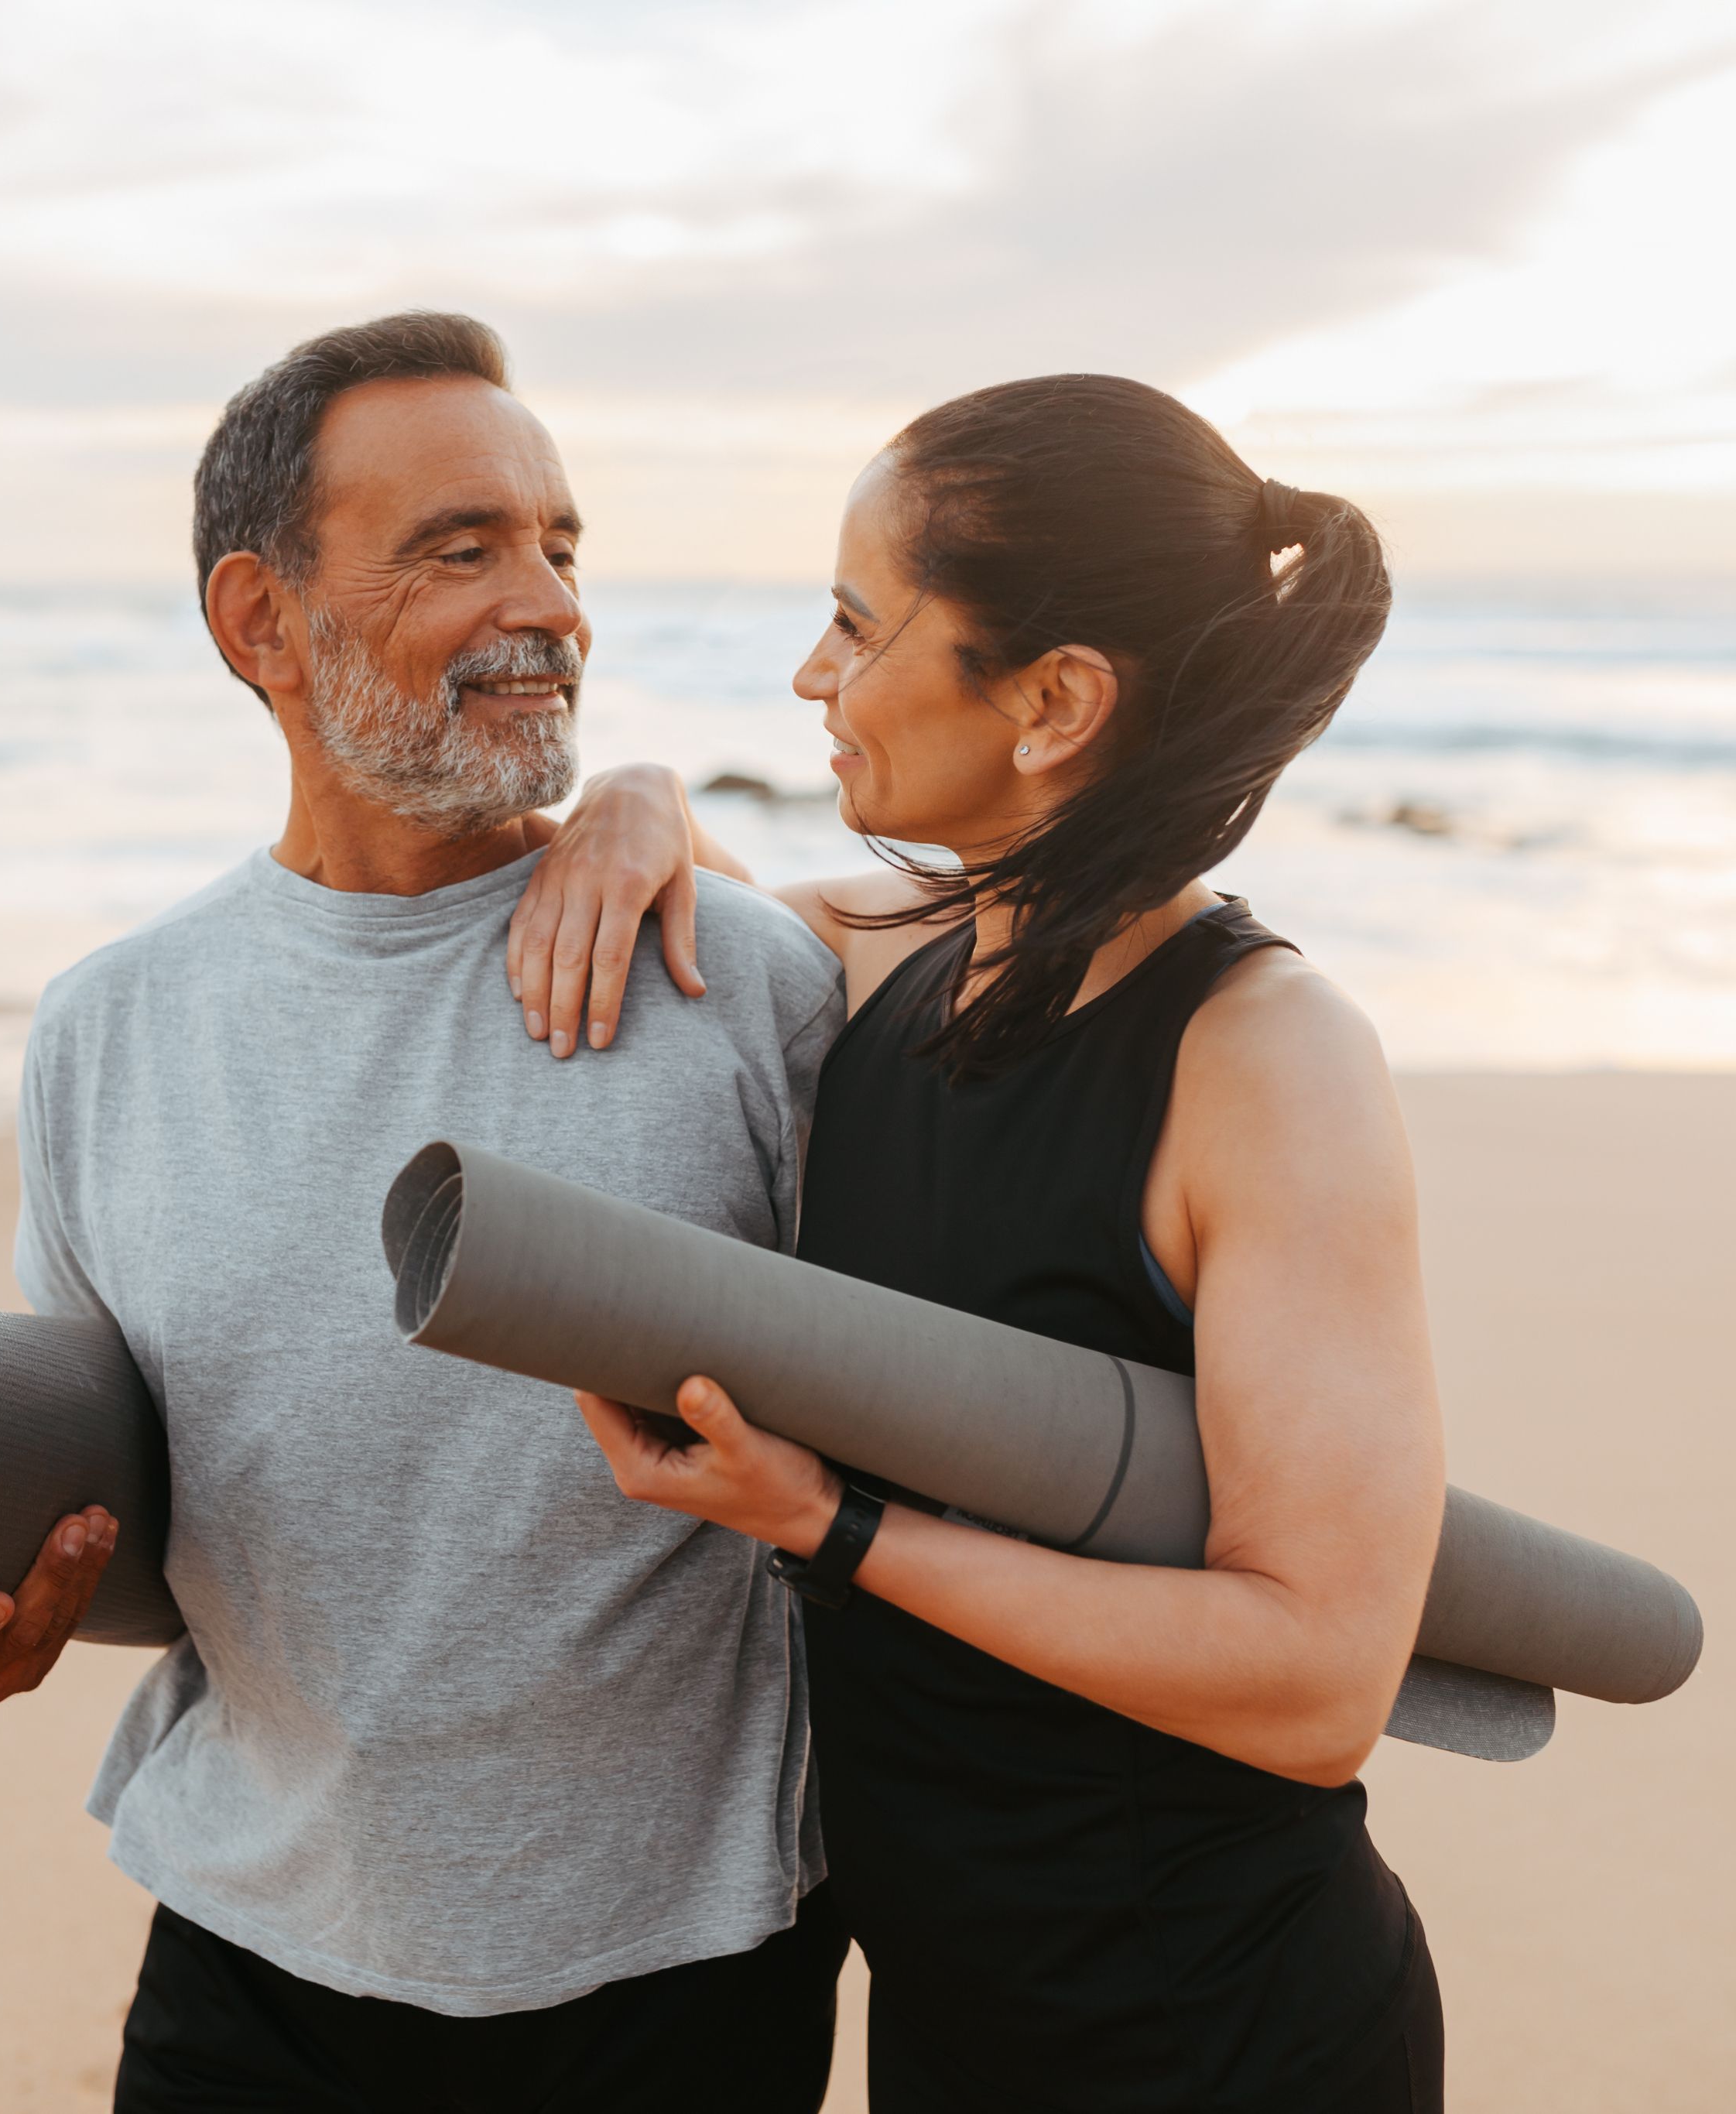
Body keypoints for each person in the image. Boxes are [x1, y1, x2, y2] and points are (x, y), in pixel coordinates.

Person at [0, 312, 851, 2111]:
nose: (549, 604)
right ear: (262, 622)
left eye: (561, 546)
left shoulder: (740, 982)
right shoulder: (109, 1029)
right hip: (252, 1956)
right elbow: (130, 1504)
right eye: (459, 547)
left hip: (671, 1976)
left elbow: (906, 1448)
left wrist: (663, 806)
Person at [508, 375, 1450, 2111]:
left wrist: (831, 1524)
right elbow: (717, 899)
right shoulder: (907, 952)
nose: (811, 676)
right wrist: (631, 791)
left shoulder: (1260, 1058)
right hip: (946, 2009)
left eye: (856, 627)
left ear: (1051, 703)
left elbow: (1318, 1673)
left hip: (1206, 2024)